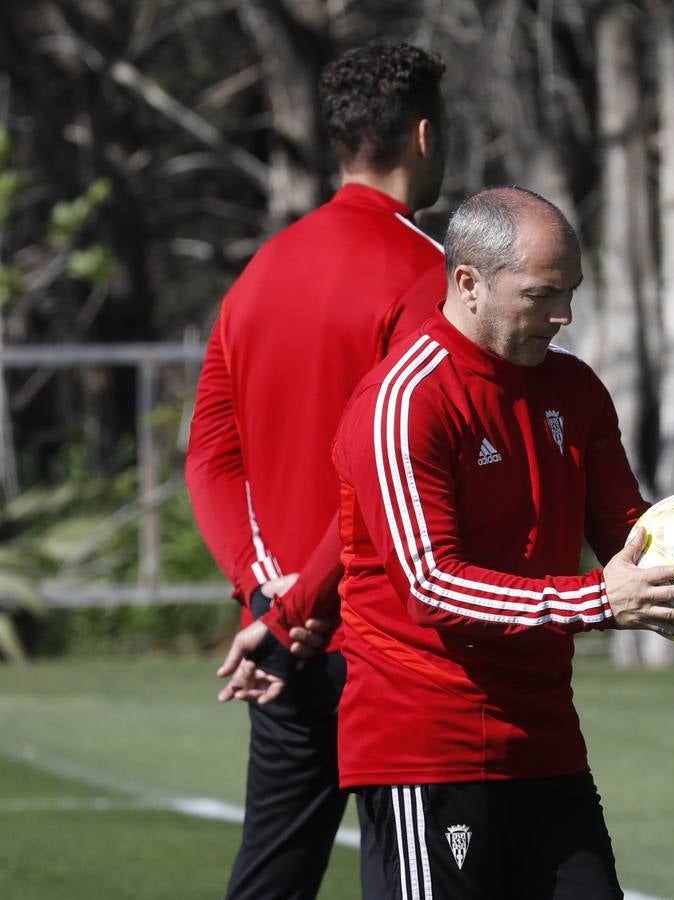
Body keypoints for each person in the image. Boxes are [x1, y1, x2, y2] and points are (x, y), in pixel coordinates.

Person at [332, 186, 674, 899]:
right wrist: (599, 599)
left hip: (544, 740)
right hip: (429, 745)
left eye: (570, 292)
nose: (563, 314)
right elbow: (430, 585)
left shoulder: (574, 386)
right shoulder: (407, 399)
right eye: (543, 294)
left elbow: (626, 528)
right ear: (468, 283)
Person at [185, 41, 448, 899]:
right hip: (388, 639)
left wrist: (265, 597)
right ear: (422, 135)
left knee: (271, 877)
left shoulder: (260, 272)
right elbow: (395, 481)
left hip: (286, 641)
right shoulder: (428, 277)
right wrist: (300, 600)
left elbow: (211, 457)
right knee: (409, 878)